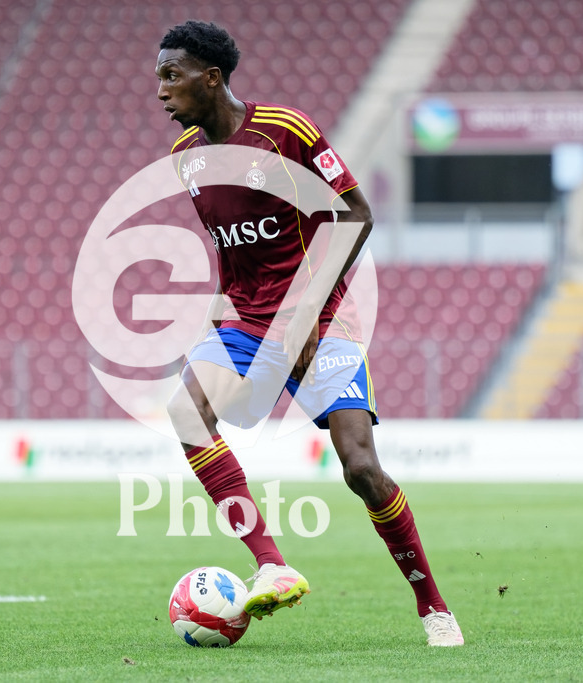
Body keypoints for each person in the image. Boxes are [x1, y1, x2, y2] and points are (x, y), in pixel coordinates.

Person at [156, 20, 464, 647]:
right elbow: (234, 252)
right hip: (246, 319)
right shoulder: (185, 158)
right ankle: (271, 561)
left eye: (171, 75)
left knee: (360, 470)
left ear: (211, 78)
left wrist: (303, 311)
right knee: (188, 415)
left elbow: (356, 214)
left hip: (321, 321)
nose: (160, 89)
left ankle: (433, 606)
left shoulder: (284, 132)